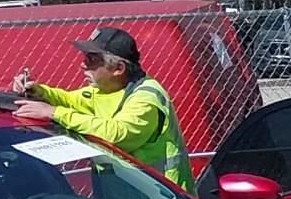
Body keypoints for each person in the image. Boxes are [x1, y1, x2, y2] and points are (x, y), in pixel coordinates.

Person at [12, 25, 192, 189]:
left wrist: (54, 113)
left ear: (118, 69)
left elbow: (117, 135)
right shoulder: (104, 90)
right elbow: (71, 100)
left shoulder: (146, 97)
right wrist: (39, 91)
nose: (83, 64)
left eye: (92, 59)